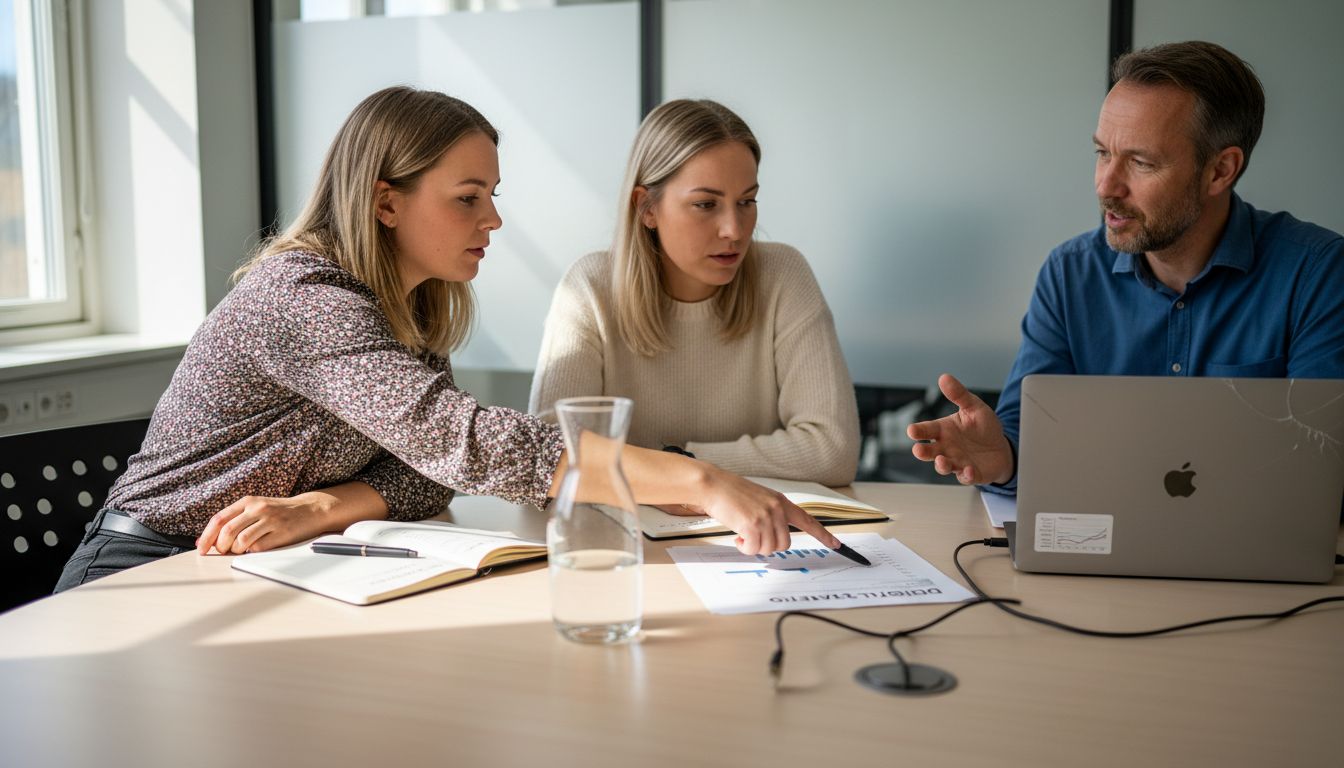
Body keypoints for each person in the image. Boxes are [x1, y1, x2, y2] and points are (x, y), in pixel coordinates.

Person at [55, 88, 846, 591]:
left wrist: (323, 506)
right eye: (469, 198)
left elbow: (424, 476)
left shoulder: (413, 311)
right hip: (146, 567)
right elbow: (476, 448)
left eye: (492, 196)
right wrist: (704, 482)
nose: (493, 220)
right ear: (386, 202)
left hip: (256, 563)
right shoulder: (306, 299)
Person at [907, 40, 1344, 489]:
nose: (1106, 185)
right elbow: (1027, 434)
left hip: (1258, 552)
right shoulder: (1070, 274)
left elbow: (1324, 466)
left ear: (1220, 170)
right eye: (1102, 153)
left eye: (1140, 161)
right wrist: (1005, 458)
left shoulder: (1317, 274)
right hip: (1098, 544)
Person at [528, 99, 860, 487]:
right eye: (706, 204)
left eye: (747, 202)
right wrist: (694, 477)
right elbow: (551, 454)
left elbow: (831, 450)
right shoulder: (589, 288)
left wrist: (682, 464)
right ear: (646, 208)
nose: (734, 230)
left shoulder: (783, 274)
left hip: (754, 538)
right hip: (626, 532)